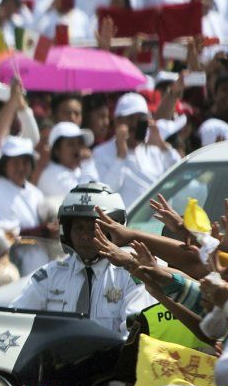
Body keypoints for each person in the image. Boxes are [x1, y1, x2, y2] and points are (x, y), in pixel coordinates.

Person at [10, 182, 150, 335]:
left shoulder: (130, 277)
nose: (84, 236)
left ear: (112, 231)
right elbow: (13, 321)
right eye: (78, 228)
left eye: (93, 229)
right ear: (66, 231)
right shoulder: (49, 276)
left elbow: (133, 335)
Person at [93, 92, 180, 207]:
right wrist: (120, 157)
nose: (135, 124)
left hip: (156, 222)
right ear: (117, 121)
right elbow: (104, 193)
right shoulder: (101, 153)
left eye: (140, 119)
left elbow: (181, 174)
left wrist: (162, 145)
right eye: (130, 119)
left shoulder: (154, 150)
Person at [37, 121, 99, 199]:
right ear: (57, 151)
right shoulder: (52, 173)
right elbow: (84, 199)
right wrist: (87, 163)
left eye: (80, 143)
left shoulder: (78, 170)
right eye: (71, 144)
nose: (77, 148)